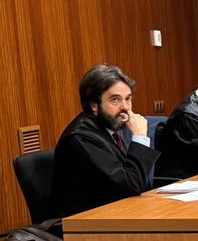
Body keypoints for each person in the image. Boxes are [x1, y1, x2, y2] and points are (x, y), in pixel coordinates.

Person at [51, 65, 161, 220]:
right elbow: (131, 187)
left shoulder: (110, 128)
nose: (125, 108)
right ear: (94, 105)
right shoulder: (82, 138)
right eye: (115, 99)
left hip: (114, 213)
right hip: (84, 226)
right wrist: (140, 137)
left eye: (128, 99)